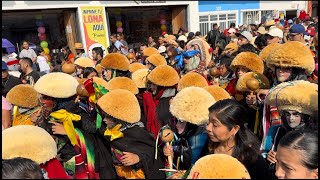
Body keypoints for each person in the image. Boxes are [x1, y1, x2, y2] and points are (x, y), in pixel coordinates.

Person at [96, 89, 166, 179]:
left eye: (107, 117)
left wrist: (138, 157)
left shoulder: (136, 132)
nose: (104, 120)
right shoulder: (111, 132)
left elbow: (153, 152)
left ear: (117, 118)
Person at [206, 99, 270, 179]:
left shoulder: (252, 160)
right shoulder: (207, 147)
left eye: (215, 125)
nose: (208, 128)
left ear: (234, 129)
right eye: (208, 122)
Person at [163, 87, 214, 170]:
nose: (177, 125)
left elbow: (191, 166)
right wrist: (171, 154)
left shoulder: (200, 138)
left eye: (181, 121)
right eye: (177, 121)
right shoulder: (185, 135)